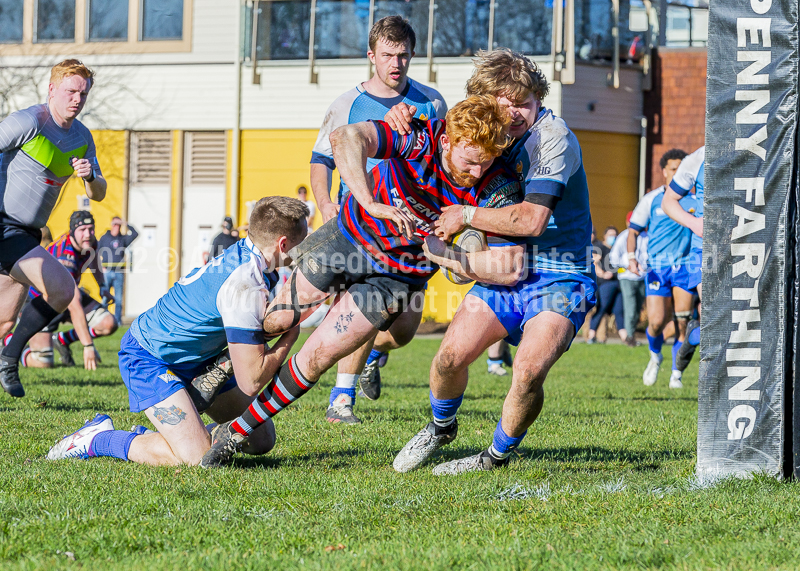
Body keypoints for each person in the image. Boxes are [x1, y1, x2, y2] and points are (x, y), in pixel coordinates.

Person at [199, 95, 526, 468]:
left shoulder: (497, 182)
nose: (477, 172)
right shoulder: (420, 137)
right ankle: (222, 364)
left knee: (320, 354)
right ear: (447, 141)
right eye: (470, 162)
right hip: (348, 239)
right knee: (277, 320)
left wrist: (450, 256)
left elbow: (511, 266)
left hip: (395, 278)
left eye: (485, 163)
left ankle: (235, 432)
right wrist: (370, 202)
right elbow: (345, 138)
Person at [386, 48, 596, 475]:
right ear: (487, 100)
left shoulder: (550, 137)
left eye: (525, 101)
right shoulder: (488, 134)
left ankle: (494, 456)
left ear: (538, 101)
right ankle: (441, 427)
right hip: (503, 268)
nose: (516, 112)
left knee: (529, 371)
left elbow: (533, 220)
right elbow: (441, 122)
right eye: (506, 101)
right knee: (448, 358)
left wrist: (464, 217)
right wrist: (401, 113)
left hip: (561, 275)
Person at [45, 197, 308, 466]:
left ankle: (178, 437)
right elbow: (252, 378)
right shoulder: (244, 284)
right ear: (283, 244)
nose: (306, 250)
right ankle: (98, 438)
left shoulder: (253, 258)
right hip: (150, 356)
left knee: (261, 439)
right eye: (304, 243)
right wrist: (291, 336)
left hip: (199, 360)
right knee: (196, 458)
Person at [309, 15, 448, 420]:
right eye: (388, 54)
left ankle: (371, 358)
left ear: (413, 56)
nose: (396, 63)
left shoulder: (432, 102)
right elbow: (321, 160)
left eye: (403, 55)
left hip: (411, 232)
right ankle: (341, 398)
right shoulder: (347, 105)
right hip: (360, 226)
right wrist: (325, 204)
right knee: (359, 307)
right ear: (371, 55)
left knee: (402, 330)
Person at [0, 59, 107, 397]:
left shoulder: (82, 137)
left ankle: (7, 353)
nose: (77, 99)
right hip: (4, 227)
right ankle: (9, 359)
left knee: (4, 322)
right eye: (70, 91)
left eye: (83, 93)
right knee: (62, 287)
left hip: (28, 233)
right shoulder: (30, 120)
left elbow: (99, 192)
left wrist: (90, 176)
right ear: (52, 89)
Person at [2, 211, 117, 369]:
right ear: (72, 232)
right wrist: (88, 346)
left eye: (91, 229)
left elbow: (93, 257)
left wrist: (102, 286)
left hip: (68, 295)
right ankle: (9, 341)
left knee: (108, 323)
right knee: (43, 362)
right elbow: (74, 303)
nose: (88, 234)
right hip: (44, 300)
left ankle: (62, 340)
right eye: (82, 230)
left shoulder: (90, 242)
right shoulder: (65, 253)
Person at [627, 149, 697, 388]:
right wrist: (631, 258)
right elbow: (633, 230)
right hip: (657, 267)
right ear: (664, 171)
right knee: (656, 322)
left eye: (681, 168)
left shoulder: (695, 199)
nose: (678, 172)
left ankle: (676, 373)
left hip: (685, 266)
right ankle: (655, 356)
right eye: (674, 168)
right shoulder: (653, 199)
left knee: (683, 321)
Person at [660, 145, 704, 376]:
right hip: (706, 249)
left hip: (751, 244)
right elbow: (668, 202)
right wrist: (695, 224)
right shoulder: (698, 158)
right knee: (714, 310)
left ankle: (694, 334)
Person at [609, 212, 648, 347]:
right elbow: (613, 258)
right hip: (627, 277)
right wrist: (627, 265)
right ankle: (629, 337)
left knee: (638, 309)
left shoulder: (645, 237)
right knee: (630, 308)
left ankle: (631, 335)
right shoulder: (624, 236)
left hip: (642, 277)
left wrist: (646, 266)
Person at [587, 226, 626, 344]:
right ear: (605, 236)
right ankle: (591, 336)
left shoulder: (617, 249)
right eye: (610, 235)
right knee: (601, 308)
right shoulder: (599, 247)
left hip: (618, 283)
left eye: (615, 235)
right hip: (605, 284)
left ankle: (626, 338)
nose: (613, 237)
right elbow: (594, 261)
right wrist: (602, 274)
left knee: (619, 310)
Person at [97, 216, 138, 324]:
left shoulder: (122, 239)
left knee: (118, 300)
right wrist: (101, 267)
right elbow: (96, 252)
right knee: (105, 298)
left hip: (119, 272)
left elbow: (135, 233)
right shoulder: (104, 238)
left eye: (118, 225)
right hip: (107, 272)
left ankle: (118, 322)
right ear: (111, 225)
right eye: (114, 224)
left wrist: (125, 223)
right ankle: (102, 320)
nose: (116, 227)